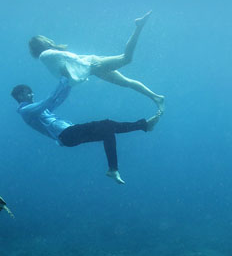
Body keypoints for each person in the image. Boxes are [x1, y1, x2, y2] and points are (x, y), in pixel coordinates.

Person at [11, 77, 161, 184]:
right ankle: (144, 126)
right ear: (19, 96)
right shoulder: (26, 111)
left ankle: (113, 169)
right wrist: (64, 79)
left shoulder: (36, 110)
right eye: (27, 93)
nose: (32, 94)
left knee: (107, 131)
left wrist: (69, 84)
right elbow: (49, 100)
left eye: (30, 92)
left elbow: (57, 100)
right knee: (106, 124)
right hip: (66, 135)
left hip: (68, 135)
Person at [28, 11, 165, 112]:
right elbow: (69, 61)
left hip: (93, 65)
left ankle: (139, 26)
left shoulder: (45, 55)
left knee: (126, 59)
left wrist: (80, 69)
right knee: (126, 82)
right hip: (92, 67)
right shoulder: (48, 56)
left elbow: (69, 58)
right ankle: (156, 98)